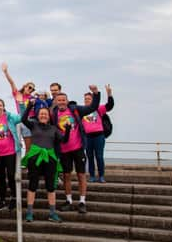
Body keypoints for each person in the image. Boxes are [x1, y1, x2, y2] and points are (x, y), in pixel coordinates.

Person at [52, 85, 100, 214]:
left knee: (81, 175)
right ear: (56, 101)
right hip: (63, 150)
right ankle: (69, 200)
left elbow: (92, 107)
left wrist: (96, 94)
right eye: (59, 100)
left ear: (67, 101)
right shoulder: (54, 114)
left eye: (63, 100)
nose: (61, 102)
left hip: (78, 148)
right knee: (66, 175)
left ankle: (82, 202)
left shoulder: (75, 110)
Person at [20, 104, 71, 223]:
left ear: (49, 116)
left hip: (50, 158)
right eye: (41, 113)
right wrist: (29, 107)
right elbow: (23, 119)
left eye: (45, 114)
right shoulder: (33, 125)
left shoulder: (54, 129)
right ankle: (29, 213)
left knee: (50, 187)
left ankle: (52, 213)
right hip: (35, 157)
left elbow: (64, 140)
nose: (43, 115)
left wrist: (68, 129)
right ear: (38, 116)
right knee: (33, 185)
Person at [82, 84, 114, 183]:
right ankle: (92, 176)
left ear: (92, 100)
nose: (87, 100)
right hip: (88, 137)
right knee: (90, 157)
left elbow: (109, 106)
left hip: (99, 136)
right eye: (85, 99)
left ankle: (101, 176)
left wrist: (109, 94)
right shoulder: (82, 110)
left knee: (99, 156)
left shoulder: (98, 108)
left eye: (88, 99)